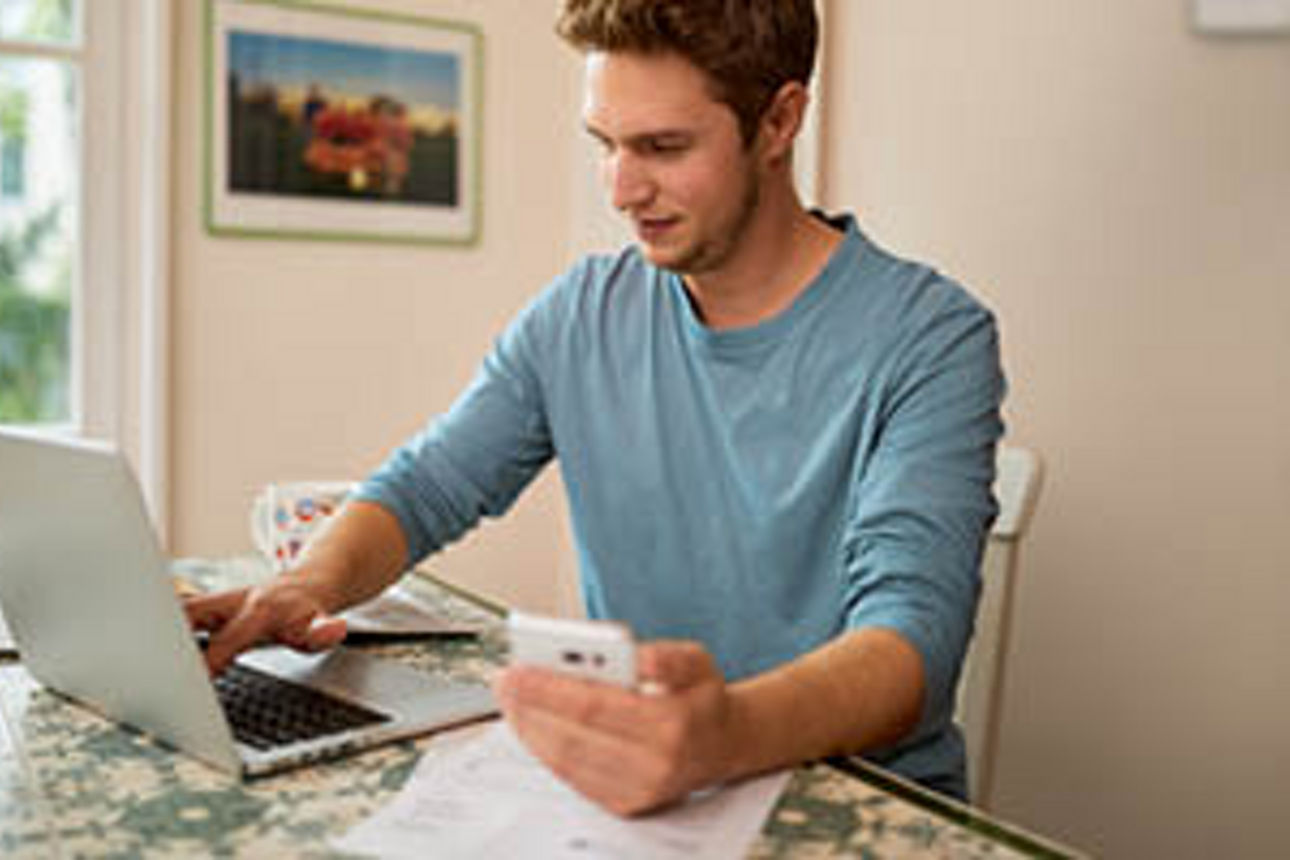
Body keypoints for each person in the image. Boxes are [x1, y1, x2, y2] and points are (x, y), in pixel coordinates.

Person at [186, 0, 1005, 814]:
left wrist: (723, 733)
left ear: (781, 120)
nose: (621, 188)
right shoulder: (582, 313)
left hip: (863, 805)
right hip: (644, 801)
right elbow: (425, 486)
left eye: (663, 146)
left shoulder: (929, 338)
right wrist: (308, 585)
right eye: (605, 144)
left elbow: (912, 645)